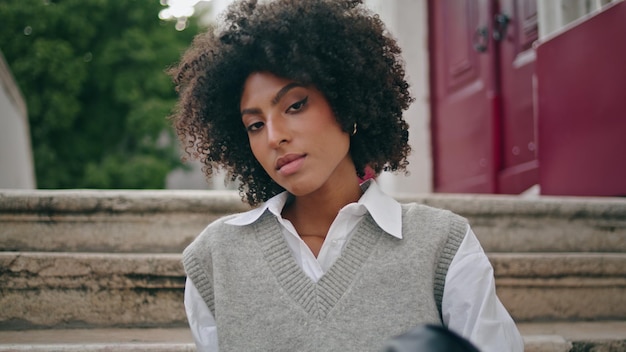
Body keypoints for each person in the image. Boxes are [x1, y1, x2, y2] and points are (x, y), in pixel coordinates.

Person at [168, 0, 524, 351]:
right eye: (255, 125)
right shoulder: (215, 258)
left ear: (347, 104)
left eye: (295, 106)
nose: (274, 137)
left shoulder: (442, 245)